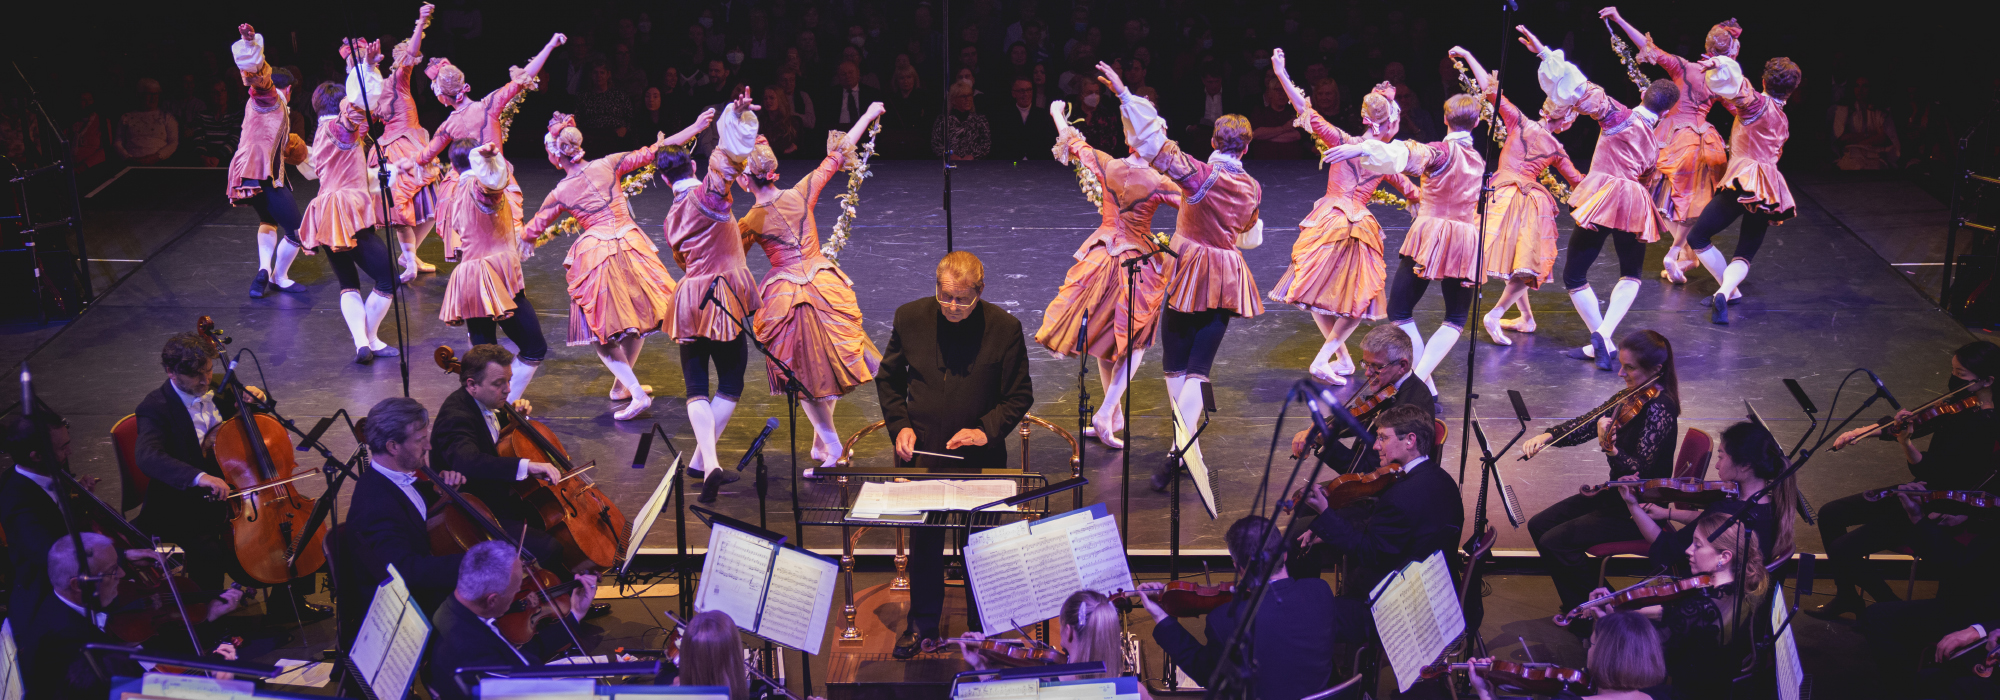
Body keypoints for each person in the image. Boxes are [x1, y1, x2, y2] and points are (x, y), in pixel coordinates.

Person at [1099, 61, 1264, 495]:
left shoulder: (1203, 176)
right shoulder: (1252, 186)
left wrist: (1124, 95)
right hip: (1226, 273)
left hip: (1190, 269)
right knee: (1198, 368)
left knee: (1176, 361)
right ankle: (1184, 445)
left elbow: (1158, 146)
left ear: (1213, 141)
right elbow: (1248, 231)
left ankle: (1180, 449)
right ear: (1246, 149)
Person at [877, 251, 1034, 657]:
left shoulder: (1005, 328)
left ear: (979, 292)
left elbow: (1019, 396)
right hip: (924, 455)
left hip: (980, 462)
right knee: (925, 544)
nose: (952, 306)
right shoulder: (909, 318)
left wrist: (985, 430)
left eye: (962, 299)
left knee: (978, 545)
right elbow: (889, 381)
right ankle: (922, 623)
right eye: (945, 296)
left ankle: (982, 628)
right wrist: (901, 426)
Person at [737, 93, 888, 473]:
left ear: (744, 179)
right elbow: (837, 155)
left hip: (789, 297)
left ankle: (832, 444)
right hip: (822, 284)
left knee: (802, 374)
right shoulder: (801, 191)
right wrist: (869, 114)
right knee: (827, 366)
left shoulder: (751, 221)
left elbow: (729, 256)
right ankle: (823, 444)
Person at [1515, 27, 1678, 371]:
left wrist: (1544, 52)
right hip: (1635, 202)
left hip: (1605, 198)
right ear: (1666, 113)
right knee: (1631, 272)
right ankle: (1602, 337)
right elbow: (1651, 175)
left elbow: (1580, 87)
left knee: (1575, 273)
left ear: (1643, 95)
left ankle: (1601, 338)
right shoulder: (1655, 137)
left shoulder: (1621, 116)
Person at [523, 115, 706, 421]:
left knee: (601, 335)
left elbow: (532, 229)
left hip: (599, 253)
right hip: (630, 244)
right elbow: (656, 149)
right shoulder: (607, 163)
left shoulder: (560, 192)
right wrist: (695, 127)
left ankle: (635, 393)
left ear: (556, 155)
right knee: (634, 320)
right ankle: (622, 387)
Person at [1811, 340, 2000, 619]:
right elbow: (1922, 420)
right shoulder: (1961, 402)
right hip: (1923, 489)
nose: (1953, 379)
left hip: (1942, 504)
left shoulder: (1987, 425)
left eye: (1960, 375)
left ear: (1988, 380)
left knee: (1843, 550)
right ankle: (1848, 597)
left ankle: (1889, 605)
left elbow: (1930, 471)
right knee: (1830, 513)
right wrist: (1864, 431)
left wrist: (1906, 444)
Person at [1322, 82, 1487, 394]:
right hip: (1465, 238)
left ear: (1445, 119)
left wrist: (1361, 147)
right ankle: (1422, 383)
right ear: (1476, 123)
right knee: (1455, 317)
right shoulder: (1477, 159)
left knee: (1399, 309)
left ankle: (1416, 383)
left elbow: (1410, 152)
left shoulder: (1441, 150)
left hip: (1432, 235)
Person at [1036, 97, 1180, 449]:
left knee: (1104, 337)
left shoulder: (1110, 164)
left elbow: (1074, 144)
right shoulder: (1158, 180)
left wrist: (1056, 113)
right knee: (1136, 340)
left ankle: (1112, 415)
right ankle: (1106, 413)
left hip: (1101, 256)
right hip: (1135, 262)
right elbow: (1195, 199)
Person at [1266, 50, 1418, 384]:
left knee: (1319, 296)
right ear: (1389, 123)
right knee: (1357, 302)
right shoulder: (1386, 159)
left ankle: (1342, 360)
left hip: (1326, 220)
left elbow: (1306, 111)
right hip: (1354, 226)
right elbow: (1410, 186)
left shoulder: (1349, 143)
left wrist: (1281, 73)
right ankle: (1324, 360)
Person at [1520, 330, 1681, 615]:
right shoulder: (1630, 395)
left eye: (1629, 367)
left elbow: (1639, 472)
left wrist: (1610, 448)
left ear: (1656, 369)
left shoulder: (1660, 408)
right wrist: (1548, 436)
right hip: (1615, 495)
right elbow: (1587, 422)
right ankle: (1588, 604)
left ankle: (1597, 612)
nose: (1621, 373)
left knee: (1554, 542)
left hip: (1640, 508)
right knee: (1539, 525)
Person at [1447, 46, 1584, 346]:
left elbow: (1489, 90)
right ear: (1567, 120)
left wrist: (1470, 56)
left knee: (1520, 261)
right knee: (1529, 264)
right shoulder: (1556, 148)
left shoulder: (1521, 122)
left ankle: (1526, 318)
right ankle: (1495, 314)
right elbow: (1578, 181)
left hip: (1502, 193)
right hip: (1528, 201)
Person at [1141, 515, 1350, 700]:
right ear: (1284, 555)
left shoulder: (1224, 621)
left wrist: (1160, 615)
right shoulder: (1320, 591)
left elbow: (1204, 672)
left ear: (1238, 567)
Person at [403, 31, 566, 264]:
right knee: (502, 236)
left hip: (468, 184)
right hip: (496, 178)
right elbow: (523, 77)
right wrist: (550, 45)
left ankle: (472, 271)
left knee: (464, 222)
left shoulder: (448, 125)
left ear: (442, 96)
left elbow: (425, 155)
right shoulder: (489, 105)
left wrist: (402, 165)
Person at [1599, 9, 1733, 285]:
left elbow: (1650, 49)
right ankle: (1676, 253)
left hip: (1668, 137)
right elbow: (1744, 109)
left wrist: (1620, 19)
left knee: (1666, 201)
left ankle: (1684, 254)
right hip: (1698, 142)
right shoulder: (1724, 83)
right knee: (1687, 203)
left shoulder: (1686, 67)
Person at [1575, 511, 1767, 696]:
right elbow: (1675, 616)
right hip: (1720, 685)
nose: (1688, 550)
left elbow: (1640, 657)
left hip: (1688, 694)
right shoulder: (1742, 589)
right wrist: (1631, 611)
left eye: (1697, 545)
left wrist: (1607, 623)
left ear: (1723, 557)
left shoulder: (1699, 608)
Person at [658, 111, 751, 492]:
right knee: (731, 379)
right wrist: (735, 124)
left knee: (696, 385)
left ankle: (702, 463)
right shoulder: (706, 198)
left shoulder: (670, 215)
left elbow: (681, 258)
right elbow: (723, 171)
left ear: (665, 180)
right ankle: (707, 462)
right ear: (693, 165)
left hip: (688, 299)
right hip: (720, 300)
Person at [427, 344, 576, 569]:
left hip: (501, 494)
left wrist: (513, 421)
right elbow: (469, 461)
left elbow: (489, 437)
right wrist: (528, 466)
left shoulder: (486, 401)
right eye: (499, 383)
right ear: (472, 385)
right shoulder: (455, 417)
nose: (508, 389)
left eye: (509, 380)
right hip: (478, 512)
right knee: (550, 548)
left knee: (560, 523)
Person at [1686, 54, 1803, 324]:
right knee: (1745, 250)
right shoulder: (1781, 118)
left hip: (1744, 181)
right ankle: (1728, 291)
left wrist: (1720, 65)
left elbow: (1740, 91)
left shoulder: (1756, 104)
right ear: (1792, 90)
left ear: (1762, 81)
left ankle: (1727, 290)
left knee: (1698, 238)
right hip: (1770, 188)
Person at [297, 82, 399, 365]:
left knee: (348, 283)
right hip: (346, 213)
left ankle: (361, 344)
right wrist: (365, 70)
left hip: (327, 213)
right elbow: (354, 114)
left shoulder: (322, 132)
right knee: (388, 278)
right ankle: (371, 339)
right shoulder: (338, 127)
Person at [437, 138, 546, 402]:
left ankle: (486, 409)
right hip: (492, 277)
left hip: (472, 278)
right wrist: (490, 161)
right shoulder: (477, 187)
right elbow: (494, 187)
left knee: (484, 357)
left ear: (453, 165)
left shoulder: (457, 189)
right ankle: (501, 407)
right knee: (534, 347)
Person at [344, 397, 471, 616]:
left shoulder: (398, 478)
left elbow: (420, 515)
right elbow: (404, 570)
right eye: (420, 440)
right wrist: (471, 564)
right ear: (393, 446)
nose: (429, 446)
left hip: (430, 590)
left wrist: (443, 493)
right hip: (412, 609)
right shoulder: (374, 505)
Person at [426, 540, 599, 700]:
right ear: (492, 600)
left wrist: (575, 612)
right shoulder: (472, 652)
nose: (522, 595)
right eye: (515, 591)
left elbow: (521, 653)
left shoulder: (456, 607)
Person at [345, 5, 444, 281]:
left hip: (413, 144)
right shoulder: (375, 94)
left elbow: (411, 54)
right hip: (396, 150)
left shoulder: (397, 81)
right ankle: (410, 262)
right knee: (401, 206)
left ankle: (409, 255)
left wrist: (421, 24)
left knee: (434, 207)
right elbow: (359, 126)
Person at [1619, 421, 1798, 571]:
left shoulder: (1727, 512)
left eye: (1721, 457)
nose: (1717, 466)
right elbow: (1707, 521)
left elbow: (1665, 546)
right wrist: (1668, 514)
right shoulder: (1771, 505)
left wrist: (1632, 505)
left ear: (1744, 465)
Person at [1288, 324, 1438, 477]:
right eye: (1366, 364)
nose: (1367, 372)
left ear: (1402, 365)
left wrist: (1328, 443)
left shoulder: (1409, 408)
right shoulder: (1391, 387)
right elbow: (1357, 416)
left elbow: (1371, 474)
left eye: (1377, 366)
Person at [227, 24, 307, 298]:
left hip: (249, 173)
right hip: (263, 174)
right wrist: (250, 49)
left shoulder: (269, 109)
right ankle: (279, 276)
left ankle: (263, 270)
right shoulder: (270, 99)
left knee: (268, 221)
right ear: (288, 89)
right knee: (298, 232)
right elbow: (259, 85)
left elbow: (279, 142)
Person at [1466, 611, 1671, 700]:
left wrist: (1486, 693)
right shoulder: (1665, 695)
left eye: (1591, 644)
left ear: (1602, 656)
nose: (1588, 649)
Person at [988, 78, 1057, 161]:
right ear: (1013, 93)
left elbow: (1049, 144)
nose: (1026, 94)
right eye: (1021, 91)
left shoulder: (1044, 115)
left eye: (1029, 90)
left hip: (1038, 164)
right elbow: (1001, 145)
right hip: (1012, 164)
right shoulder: (1004, 116)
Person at [114, 77, 178, 165]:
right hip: (131, 163)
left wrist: (156, 157)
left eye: (156, 94)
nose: (153, 98)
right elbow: (118, 142)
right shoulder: (126, 117)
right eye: (149, 94)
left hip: (160, 163)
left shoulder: (167, 117)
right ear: (139, 95)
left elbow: (173, 142)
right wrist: (127, 158)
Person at [932, 80, 991, 160]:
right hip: (950, 162)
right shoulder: (943, 121)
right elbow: (936, 144)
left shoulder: (980, 120)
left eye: (969, 95)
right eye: (963, 96)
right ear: (953, 100)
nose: (967, 99)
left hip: (975, 164)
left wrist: (972, 156)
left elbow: (986, 144)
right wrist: (950, 155)